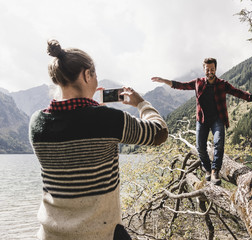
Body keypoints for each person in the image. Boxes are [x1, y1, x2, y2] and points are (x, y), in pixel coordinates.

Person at [29, 39, 168, 240]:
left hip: (49, 235)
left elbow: (73, 129)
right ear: (87, 75)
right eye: (94, 75)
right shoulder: (107, 120)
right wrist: (141, 103)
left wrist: (96, 114)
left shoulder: (36, 122)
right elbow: (159, 133)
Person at [152, 57, 252, 185]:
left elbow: (237, 92)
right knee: (200, 147)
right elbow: (181, 85)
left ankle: (215, 171)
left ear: (215, 69)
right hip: (202, 120)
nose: (210, 72)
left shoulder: (222, 84)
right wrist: (164, 81)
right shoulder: (198, 83)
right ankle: (207, 170)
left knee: (219, 143)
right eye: (207, 69)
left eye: (212, 69)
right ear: (204, 70)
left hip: (217, 119)